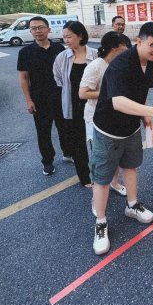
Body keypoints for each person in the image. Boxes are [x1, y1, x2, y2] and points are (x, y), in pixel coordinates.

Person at [90, 22, 153, 255]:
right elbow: (118, 102)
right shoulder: (121, 64)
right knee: (102, 178)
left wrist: (144, 115)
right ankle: (101, 222)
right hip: (108, 128)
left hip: (131, 127)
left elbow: (141, 93)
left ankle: (132, 205)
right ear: (139, 41)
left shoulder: (149, 62)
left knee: (130, 166)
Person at [17, 16, 72, 176]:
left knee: (65, 127)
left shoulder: (59, 48)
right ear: (30, 31)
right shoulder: (25, 52)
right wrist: (29, 100)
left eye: (41, 27)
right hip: (39, 99)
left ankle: (68, 153)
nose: (37, 31)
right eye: (34, 28)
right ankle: (47, 161)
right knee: (43, 132)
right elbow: (24, 78)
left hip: (60, 96)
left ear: (48, 29)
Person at [79, 31, 129, 197]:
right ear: (114, 48)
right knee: (100, 158)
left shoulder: (117, 64)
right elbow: (83, 93)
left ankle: (114, 182)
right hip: (96, 118)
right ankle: (98, 190)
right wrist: (109, 93)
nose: (127, 52)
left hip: (114, 117)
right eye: (124, 48)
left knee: (115, 154)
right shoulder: (95, 66)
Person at [53, 21, 98, 186]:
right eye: (64, 37)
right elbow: (58, 78)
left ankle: (99, 175)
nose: (66, 40)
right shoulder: (62, 57)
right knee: (78, 143)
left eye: (69, 36)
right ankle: (84, 177)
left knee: (96, 142)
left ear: (80, 36)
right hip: (73, 106)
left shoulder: (95, 55)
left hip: (93, 105)